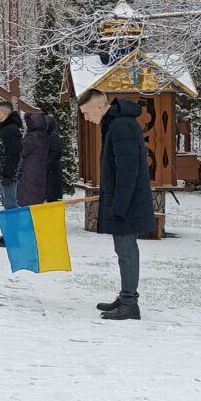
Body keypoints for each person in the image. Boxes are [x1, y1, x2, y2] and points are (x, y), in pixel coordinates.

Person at [78, 89, 155, 321]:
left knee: (127, 251)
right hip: (125, 199)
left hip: (128, 201)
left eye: (87, 112)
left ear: (100, 107)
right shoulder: (115, 124)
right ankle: (125, 297)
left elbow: (127, 171)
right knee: (123, 250)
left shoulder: (121, 126)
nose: (86, 118)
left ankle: (130, 303)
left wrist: (119, 205)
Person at [0, 100, 23, 247]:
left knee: (11, 206)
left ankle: (13, 238)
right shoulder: (4, 128)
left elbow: (14, 154)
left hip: (7, 175)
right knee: (7, 205)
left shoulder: (12, 130)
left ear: (4, 113)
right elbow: (0, 149)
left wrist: (8, 175)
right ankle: (8, 235)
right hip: (1, 173)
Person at [18, 111, 50, 206]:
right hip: (40, 171)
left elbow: (22, 151)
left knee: (27, 198)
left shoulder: (32, 137)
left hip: (29, 171)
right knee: (36, 197)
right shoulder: (44, 135)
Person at [45, 115, 64, 202]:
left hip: (52, 171)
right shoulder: (43, 136)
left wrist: (48, 164)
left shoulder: (53, 136)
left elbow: (57, 152)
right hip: (46, 171)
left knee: (52, 197)